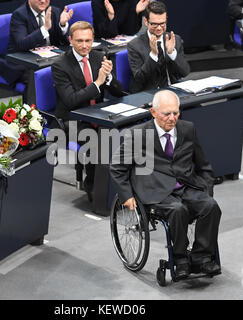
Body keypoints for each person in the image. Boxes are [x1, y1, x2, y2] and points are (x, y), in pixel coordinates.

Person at [110, 90, 222, 280]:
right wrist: (126, 196)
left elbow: (203, 165)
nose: (172, 118)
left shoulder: (188, 129)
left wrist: (207, 190)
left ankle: (201, 257)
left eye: (176, 113)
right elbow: (117, 167)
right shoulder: (137, 135)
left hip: (186, 186)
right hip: (155, 189)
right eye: (166, 114)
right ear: (153, 112)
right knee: (178, 211)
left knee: (211, 207)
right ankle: (180, 260)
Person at [52, 21, 124, 201]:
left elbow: (118, 91)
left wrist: (108, 78)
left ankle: (117, 186)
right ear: (70, 40)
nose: (85, 46)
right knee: (96, 143)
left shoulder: (99, 56)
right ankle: (95, 190)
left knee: (121, 136)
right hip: (71, 119)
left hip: (97, 114)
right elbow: (71, 100)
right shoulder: (60, 65)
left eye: (88, 41)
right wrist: (98, 83)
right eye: (79, 41)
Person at [127, 1, 190, 93]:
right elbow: (139, 79)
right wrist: (153, 55)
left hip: (173, 90)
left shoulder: (174, 39)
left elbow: (185, 72)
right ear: (146, 21)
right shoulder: (134, 45)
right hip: (148, 93)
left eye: (162, 23)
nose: (159, 28)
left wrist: (172, 53)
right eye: (154, 24)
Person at [7, 0, 73, 53]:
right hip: (26, 59)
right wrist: (45, 28)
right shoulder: (19, 15)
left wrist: (62, 25)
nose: (43, 1)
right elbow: (21, 44)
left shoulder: (55, 11)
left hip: (50, 57)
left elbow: (64, 42)